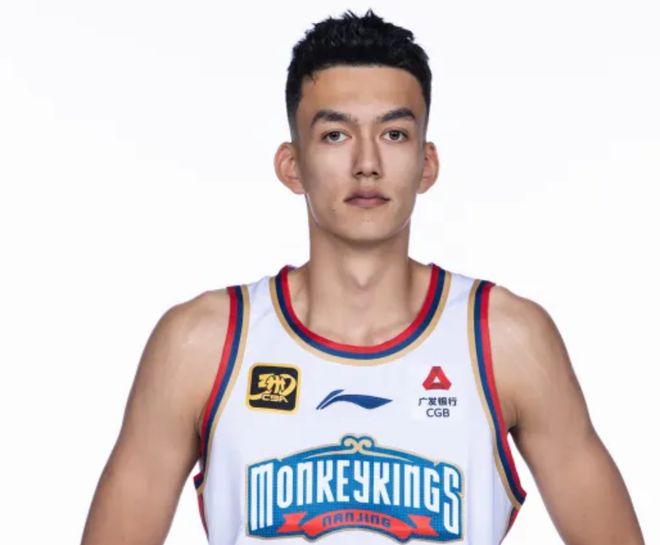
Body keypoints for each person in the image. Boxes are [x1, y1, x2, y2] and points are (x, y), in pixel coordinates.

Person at [80, 8, 644, 545]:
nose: (367, 163)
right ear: (292, 165)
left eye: (394, 134)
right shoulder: (203, 344)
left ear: (426, 163)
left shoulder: (505, 339)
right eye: (336, 135)